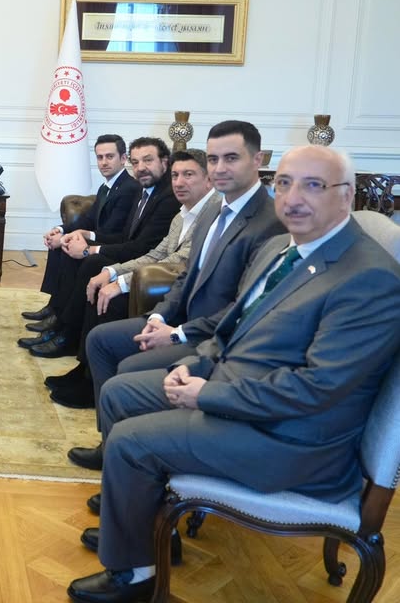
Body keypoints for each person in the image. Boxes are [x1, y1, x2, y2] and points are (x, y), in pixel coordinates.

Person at [67, 145, 400, 603]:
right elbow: (232, 328)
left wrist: (205, 395)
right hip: (240, 393)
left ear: (346, 195)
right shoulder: (282, 248)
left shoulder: (369, 278)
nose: (293, 198)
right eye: (284, 183)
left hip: (291, 441)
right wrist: (192, 365)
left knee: (129, 442)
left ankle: (135, 575)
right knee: (121, 393)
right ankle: (147, 531)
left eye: (313, 185)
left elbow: (316, 389)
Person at [66, 120, 284, 471]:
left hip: (211, 336)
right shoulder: (213, 210)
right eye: (213, 159)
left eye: (231, 158)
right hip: (179, 319)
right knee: (100, 340)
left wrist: (177, 333)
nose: (219, 168)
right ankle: (111, 442)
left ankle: (129, 450)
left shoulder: (272, 222)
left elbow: (245, 306)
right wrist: (158, 317)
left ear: (257, 159)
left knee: (127, 370)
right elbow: (186, 275)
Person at [44, 149, 218, 408]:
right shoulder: (182, 214)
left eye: (188, 175)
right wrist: (112, 273)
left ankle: (91, 383)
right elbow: (156, 254)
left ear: (208, 179)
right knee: (99, 278)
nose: (179, 182)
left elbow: (177, 262)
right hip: (154, 277)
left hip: (178, 294)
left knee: (110, 298)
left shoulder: (212, 215)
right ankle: (84, 368)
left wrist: (122, 282)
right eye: (175, 176)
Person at [21, 137, 178, 359]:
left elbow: (138, 245)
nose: (140, 167)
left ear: (164, 162)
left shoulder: (149, 193)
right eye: (136, 162)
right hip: (123, 247)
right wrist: (68, 232)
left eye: (148, 160)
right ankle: (57, 314)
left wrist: (88, 248)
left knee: (90, 260)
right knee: (70, 245)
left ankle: (67, 332)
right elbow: (95, 222)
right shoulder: (135, 189)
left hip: (143, 260)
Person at [22, 134, 141, 324]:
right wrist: (60, 230)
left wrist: (73, 237)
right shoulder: (106, 187)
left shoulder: (129, 188)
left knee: (67, 245)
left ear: (123, 158)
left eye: (109, 156)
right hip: (101, 238)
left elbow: (112, 231)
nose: (104, 162)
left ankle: (60, 316)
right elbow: (88, 220)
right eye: (100, 157)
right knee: (60, 241)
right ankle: (54, 305)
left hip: (113, 245)